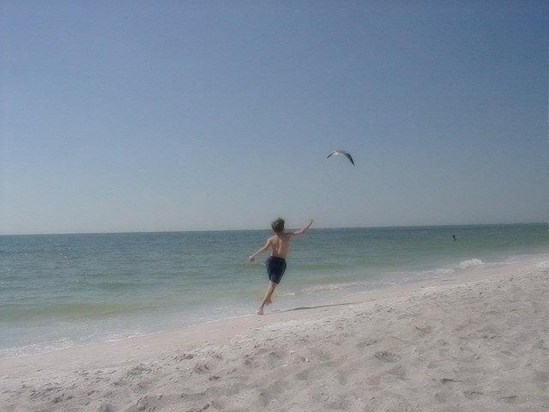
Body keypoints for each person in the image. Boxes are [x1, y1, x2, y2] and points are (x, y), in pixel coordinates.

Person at [248, 218, 314, 315]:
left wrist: (253, 255)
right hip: (280, 262)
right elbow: (301, 232)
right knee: (272, 285)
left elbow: (264, 249)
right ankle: (261, 306)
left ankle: (269, 298)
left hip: (270, 261)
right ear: (283, 227)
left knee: (271, 284)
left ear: (273, 229)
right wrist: (309, 223)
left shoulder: (271, 239)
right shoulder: (287, 235)